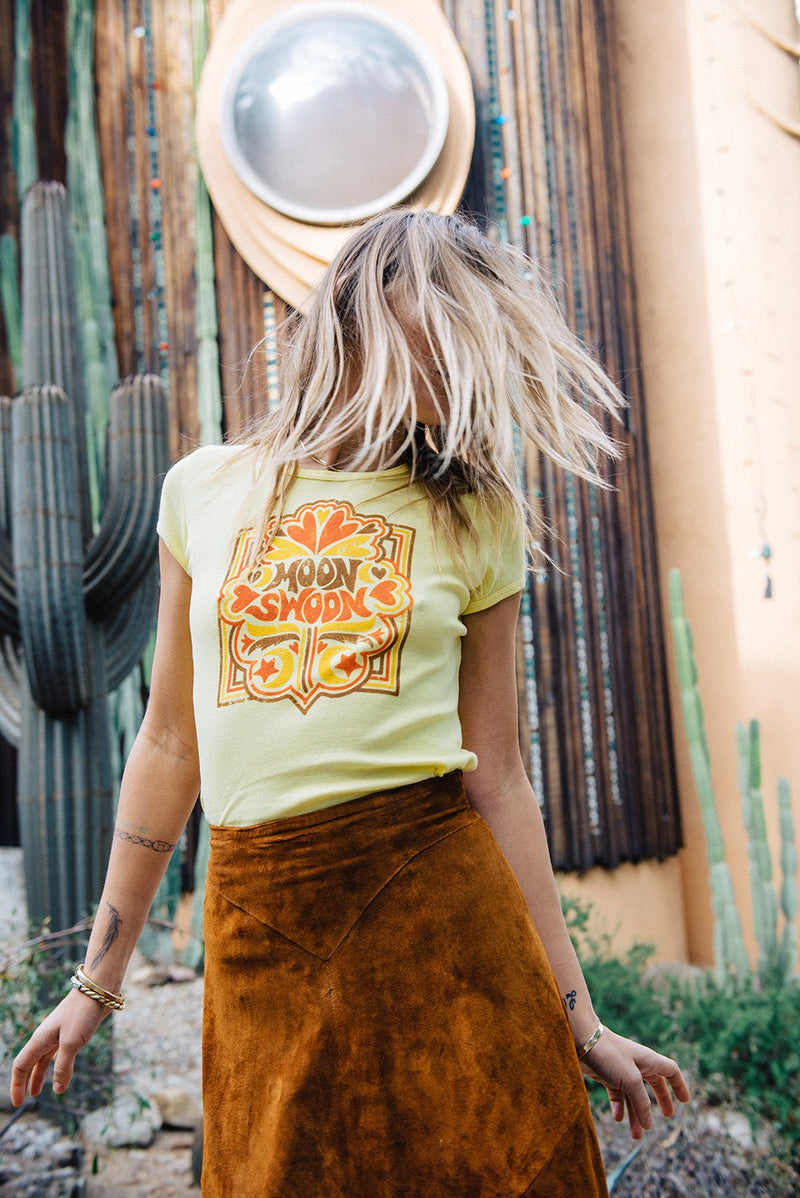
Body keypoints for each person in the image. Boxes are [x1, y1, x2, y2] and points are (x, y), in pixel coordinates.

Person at [11, 209, 688, 1197]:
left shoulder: (475, 510)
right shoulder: (203, 489)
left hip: (445, 925)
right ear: (361, 319)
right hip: (262, 930)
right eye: (440, 333)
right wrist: (94, 985)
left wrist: (579, 1021)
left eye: (474, 348)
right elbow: (166, 744)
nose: (457, 372)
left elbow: (497, 779)